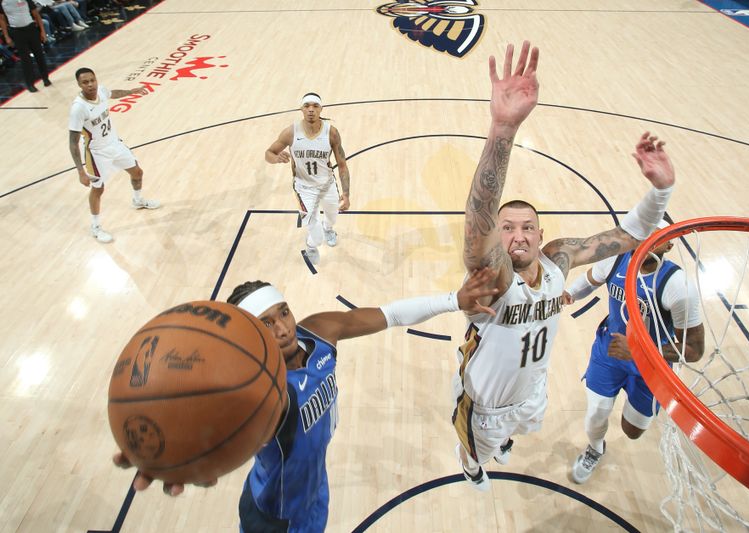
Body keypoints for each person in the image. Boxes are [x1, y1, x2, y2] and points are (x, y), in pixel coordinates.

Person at [113, 268, 499, 532]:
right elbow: (212, 427)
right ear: (248, 333)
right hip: (274, 516)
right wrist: (174, 455)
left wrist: (455, 298)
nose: (282, 327)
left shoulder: (318, 332)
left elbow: (391, 314)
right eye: (265, 322)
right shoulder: (256, 392)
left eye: (283, 312)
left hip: (315, 488)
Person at [453, 41, 676, 491]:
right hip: (486, 401)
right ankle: (472, 463)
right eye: (507, 228)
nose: (518, 235)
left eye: (527, 228)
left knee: (523, 426)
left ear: (540, 235)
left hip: (532, 388)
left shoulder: (557, 259)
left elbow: (625, 238)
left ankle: (504, 441)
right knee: (477, 447)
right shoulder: (491, 279)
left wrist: (661, 193)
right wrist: (502, 130)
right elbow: (478, 224)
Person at [563, 221, 704, 484]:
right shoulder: (616, 260)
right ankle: (595, 448)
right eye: (643, 233)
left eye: (656, 235)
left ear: (669, 244)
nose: (647, 239)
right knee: (596, 415)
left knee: (632, 430)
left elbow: (694, 349)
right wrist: (568, 293)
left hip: (652, 367)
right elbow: (590, 279)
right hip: (610, 353)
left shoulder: (678, 286)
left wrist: (641, 350)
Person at [68, 67, 160, 243]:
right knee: (98, 189)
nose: (90, 85)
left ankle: (138, 200)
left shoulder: (101, 90)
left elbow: (113, 93)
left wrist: (131, 91)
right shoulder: (78, 108)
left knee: (137, 172)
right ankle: (95, 227)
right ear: (79, 85)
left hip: (115, 144)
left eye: (92, 80)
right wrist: (80, 171)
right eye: (85, 82)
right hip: (97, 153)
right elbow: (72, 143)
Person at [264, 92, 351, 266]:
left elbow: (342, 164)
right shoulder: (290, 132)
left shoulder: (331, 133)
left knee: (332, 218)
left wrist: (346, 194)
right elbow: (269, 153)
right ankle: (311, 246)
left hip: (327, 184)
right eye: (307, 106)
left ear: (321, 109)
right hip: (304, 189)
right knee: (316, 237)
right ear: (301, 109)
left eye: (315, 106)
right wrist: (276, 159)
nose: (311, 110)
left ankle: (328, 229)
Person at [0, 0, 51, 92]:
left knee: (39, 55)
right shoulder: (2, 2)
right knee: (25, 59)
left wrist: (42, 31)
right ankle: (30, 84)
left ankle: (45, 78)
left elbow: (36, 15)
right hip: (17, 32)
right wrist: (6, 36)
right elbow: (2, 20)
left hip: (31, 29)